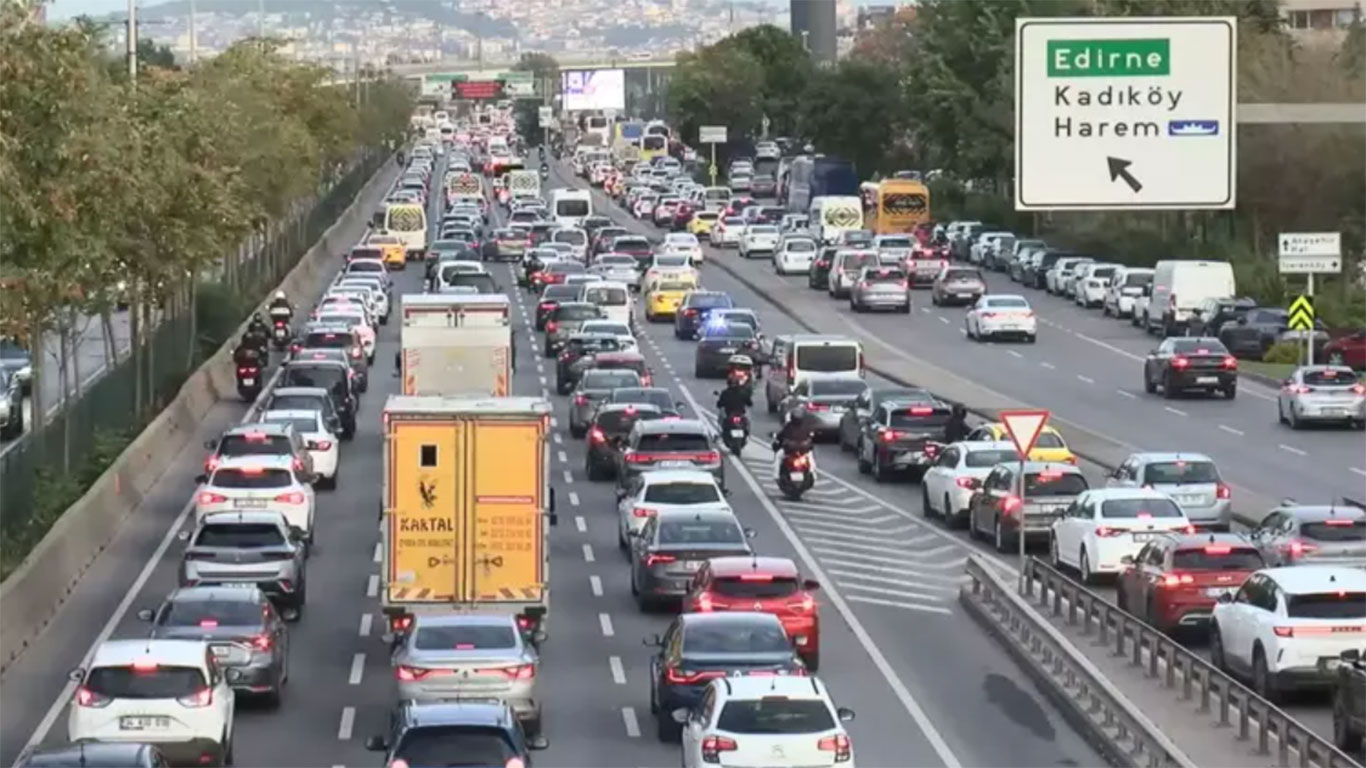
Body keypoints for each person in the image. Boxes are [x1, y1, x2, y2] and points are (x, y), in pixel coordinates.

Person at [771, 404, 815, 477]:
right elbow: (810, 436)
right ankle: (813, 474)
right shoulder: (805, 426)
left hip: (790, 450)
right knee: (810, 458)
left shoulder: (789, 426)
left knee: (778, 457)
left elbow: (780, 436)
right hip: (803, 450)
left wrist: (777, 438)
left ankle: (776, 475)